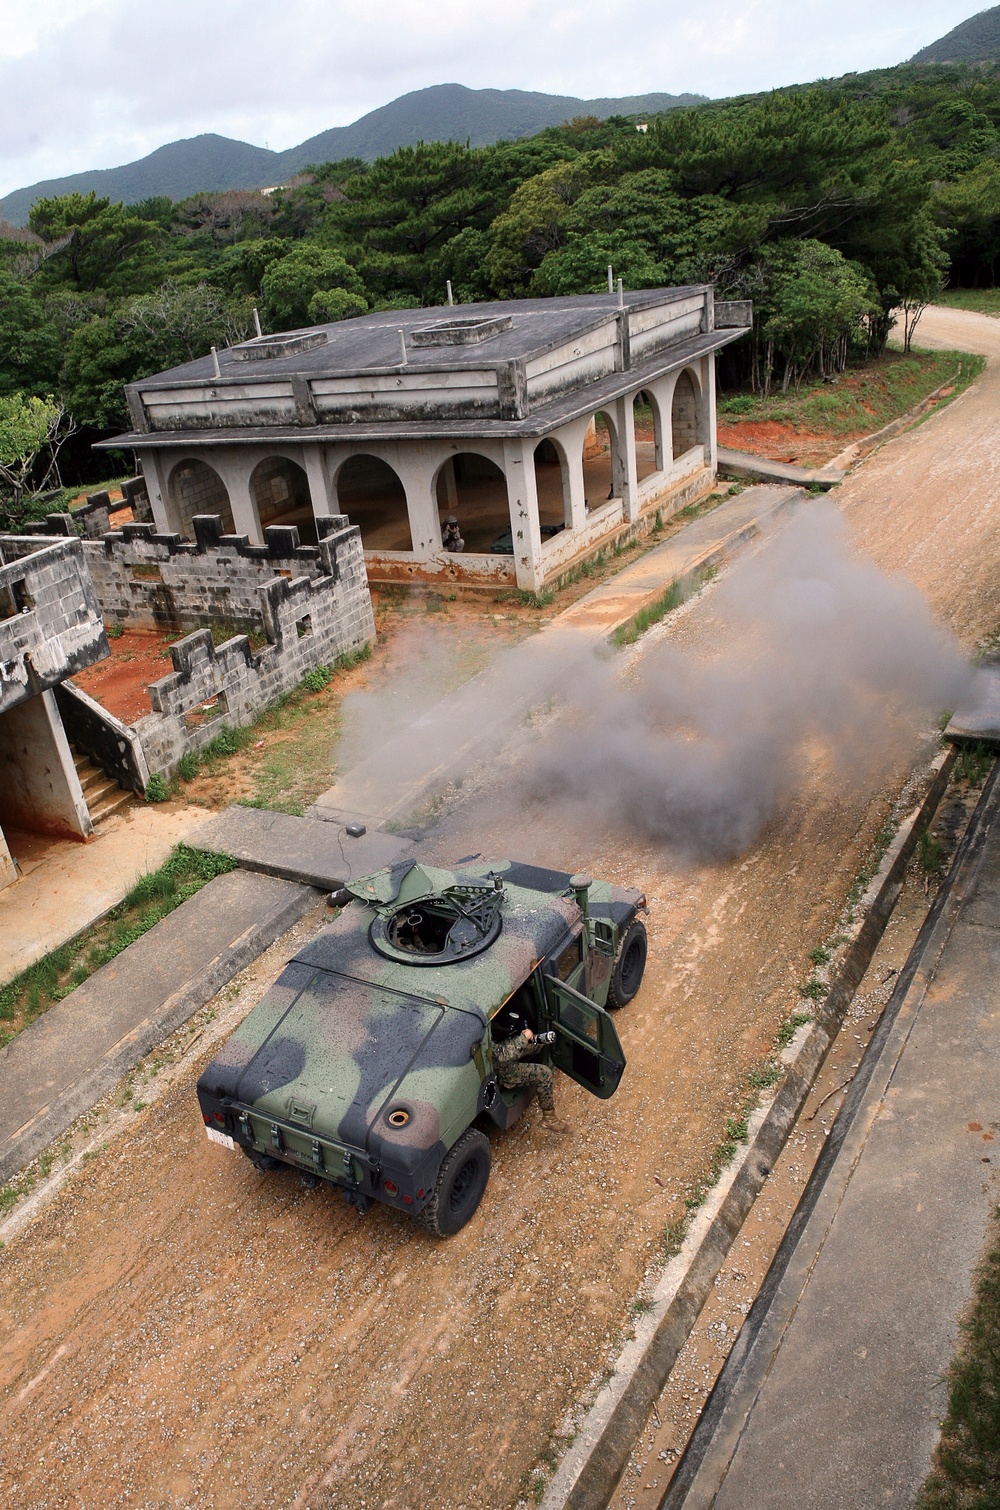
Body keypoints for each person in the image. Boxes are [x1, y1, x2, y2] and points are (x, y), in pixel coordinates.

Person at [492, 1026, 570, 1135]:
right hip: (501, 1069)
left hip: (500, 1052)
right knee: (544, 1074)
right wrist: (524, 1037)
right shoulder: (473, 1032)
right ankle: (549, 1120)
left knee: (537, 1043)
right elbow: (502, 1056)